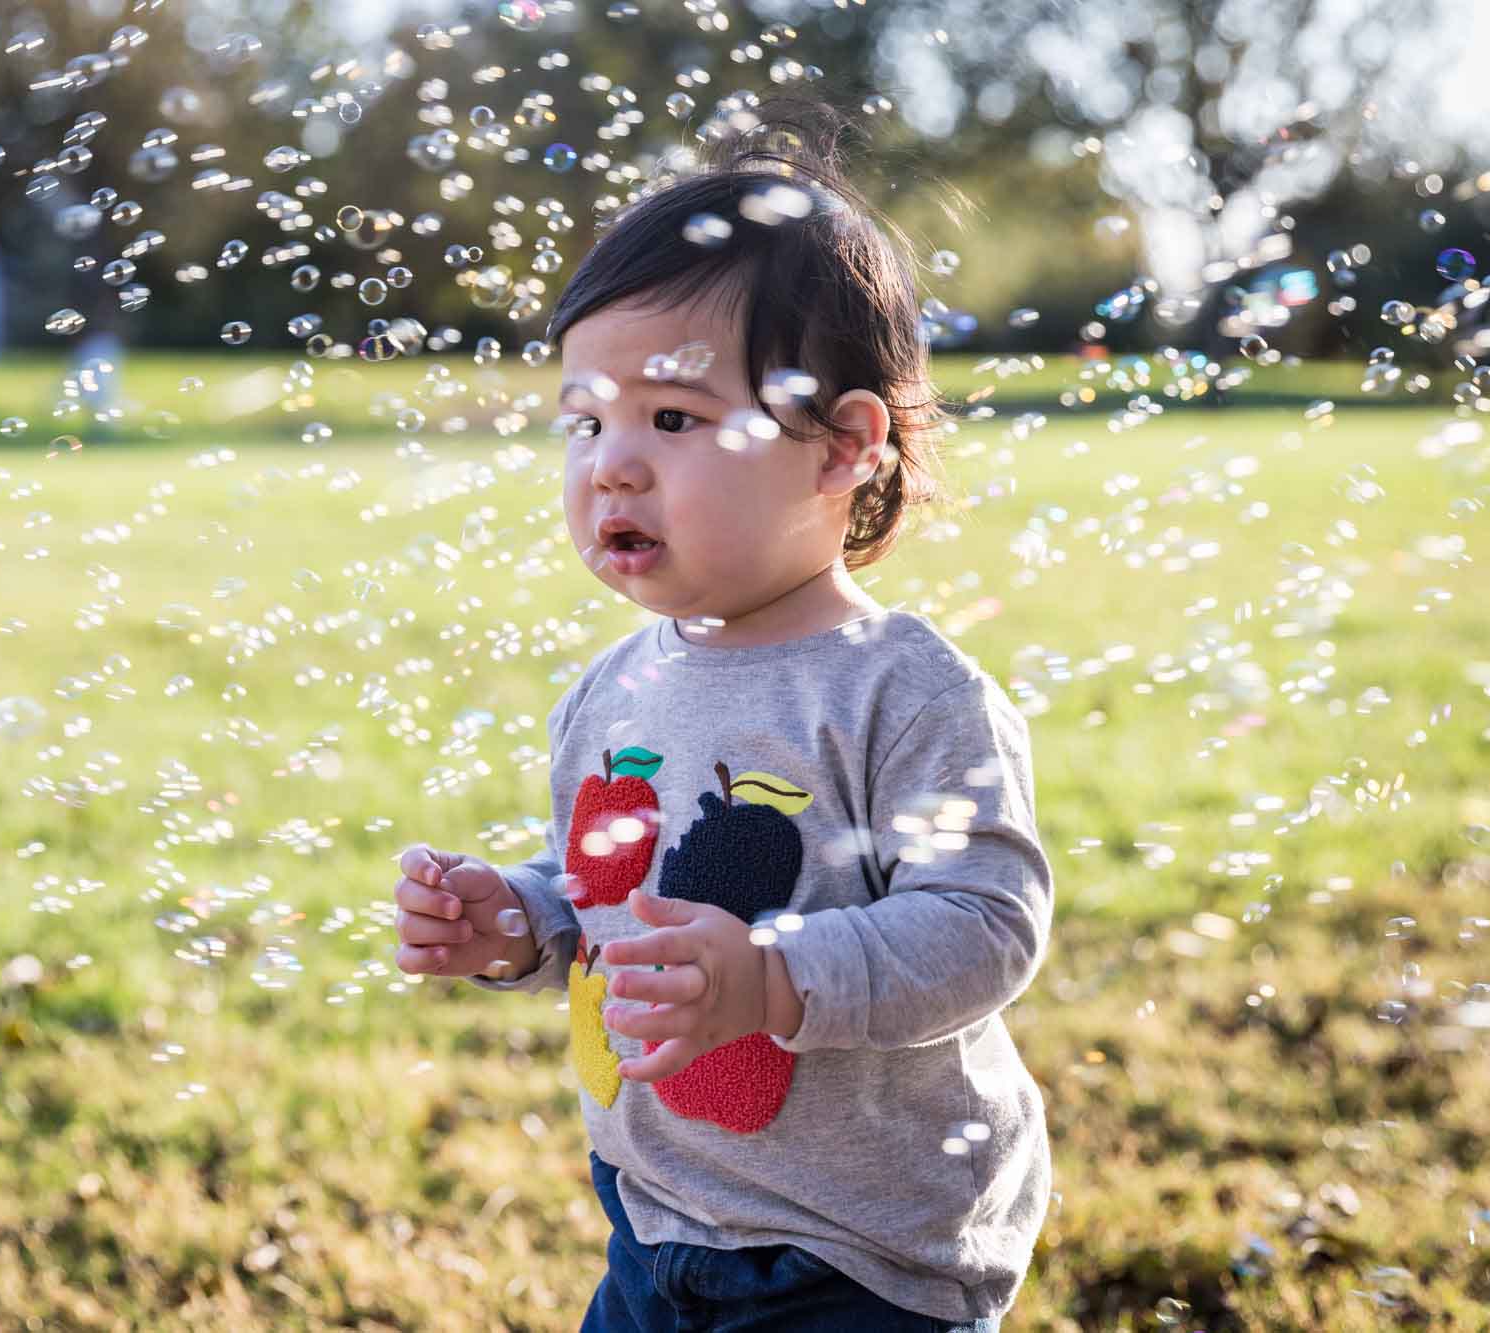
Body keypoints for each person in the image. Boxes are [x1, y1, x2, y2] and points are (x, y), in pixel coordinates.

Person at [390, 97, 1052, 1333]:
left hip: (859, 1254)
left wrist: (770, 979)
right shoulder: (611, 687)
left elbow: (983, 926)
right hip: (656, 1214)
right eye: (585, 421)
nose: (610, 466)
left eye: (673, 418)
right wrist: (518, 919)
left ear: (840, 448)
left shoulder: (898, 687)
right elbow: (608, 898)